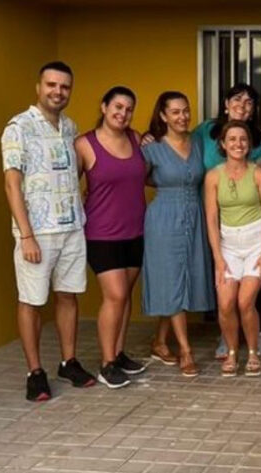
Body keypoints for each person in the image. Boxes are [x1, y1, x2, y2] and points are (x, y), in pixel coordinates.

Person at [2, 61, 96, 402]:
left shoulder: (70, 127)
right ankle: (35, 372)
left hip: (72, 226)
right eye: (51, 85)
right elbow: (12, 183)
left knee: (68, 294)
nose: (58, 92)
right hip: (37, 232)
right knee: (31, 300)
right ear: (39, 86)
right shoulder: (19, 127)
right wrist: (26, 235)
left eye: (65, 87)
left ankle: (68, 361)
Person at [195, 83, 261, 364]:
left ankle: (257, 340)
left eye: (250, 102)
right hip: (224, 231)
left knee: (249, 298)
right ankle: (229, 342)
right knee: (227, 300)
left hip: (254, 233)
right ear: (226, 103)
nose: (244, 105)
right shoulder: (204, 132)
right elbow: (177, 140)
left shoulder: (258, 153)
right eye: (238, 99)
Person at [74, 86, 147, 390]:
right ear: (104, 107)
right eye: (117, 107)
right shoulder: (84, 145)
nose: (123, 113)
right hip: (102, 234)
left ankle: (117, 353)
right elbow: (69, 189)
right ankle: (106, 364)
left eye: (128, 109)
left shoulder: (137, 138)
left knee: (125, 295)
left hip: (135, 230)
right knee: (114, 296)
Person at [142, 91, 214, 378]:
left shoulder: (197, 142)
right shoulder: (151, 148)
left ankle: (160, 341)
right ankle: (185, 350)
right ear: (163, 116)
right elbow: (140, 178)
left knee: (185, 277)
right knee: (171, 279)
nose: (182, 116)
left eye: (185, 111)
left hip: (194, 214)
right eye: (175, 112)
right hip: (164, 217)